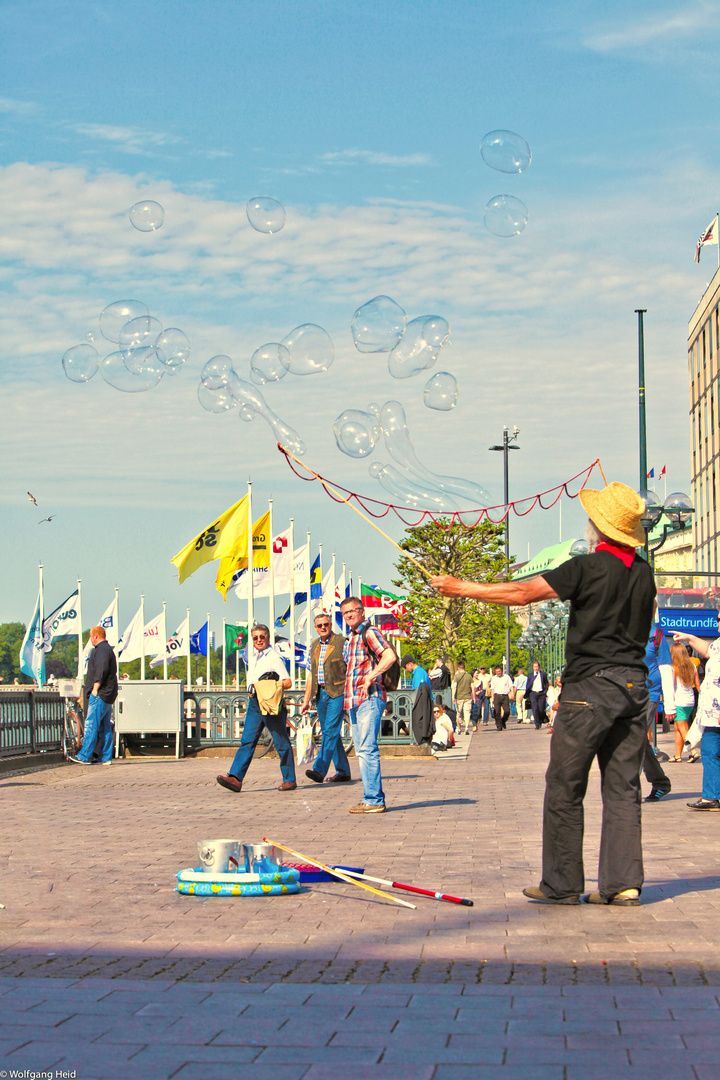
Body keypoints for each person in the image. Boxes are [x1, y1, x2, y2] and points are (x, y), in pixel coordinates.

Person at [432, 481, 655, 907]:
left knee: (565, 785)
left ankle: (562, 884)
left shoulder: (587, 567)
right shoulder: (644, 573)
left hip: (589, 687)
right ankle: (623, 885)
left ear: (597, 529)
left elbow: (521, 593)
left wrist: (462, 588)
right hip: (633, 687)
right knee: (623, 788)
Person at [216, 624, 296, 793]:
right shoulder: (255, 657)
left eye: (262, 637)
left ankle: (289, 779)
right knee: (247, 740)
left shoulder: (274, 657)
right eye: (255, 637)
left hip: (269, 703)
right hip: (255, 703)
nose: (259, 640)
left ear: (268, 638)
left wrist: (266, 687)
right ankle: (236, 778)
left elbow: (287, 682)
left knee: (281, 741)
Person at [340, 596, 397, 813]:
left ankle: (374, 800)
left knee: (367, 749)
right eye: (345, 613)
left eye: (353, 611)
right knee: (362, 750)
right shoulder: (351, 638)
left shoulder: (369, 632)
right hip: (354, 700)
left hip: (369, 697)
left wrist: (371, 676)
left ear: (362, 612)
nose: (349, 615)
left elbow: (389, 656)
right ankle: (370, 798)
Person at [672, 618, 720, 809]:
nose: (718, 621)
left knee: (711, 751)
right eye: (717, 618)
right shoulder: (718, 645)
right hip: (711, 713)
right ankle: (711, 797)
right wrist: (689, 637)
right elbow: (708, 649)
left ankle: (711, 796)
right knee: (709, 752)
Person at [301, 611, 351, 784]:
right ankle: (343, 771)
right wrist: (306, 700)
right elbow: (310, 675)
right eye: (320, 625)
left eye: (326, 624)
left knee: (329, 730)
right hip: (320, 694)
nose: (323, 627)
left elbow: (350, 669)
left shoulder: (342, 643)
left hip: (337, 692)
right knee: (332, 734)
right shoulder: (314, 645)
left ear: (331, 625)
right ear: (315, 628)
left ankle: (319, 769)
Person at [69, 625, 118, 765]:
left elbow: (101, 669)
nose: (90, 639)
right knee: (105, 727)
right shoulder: (108, 649)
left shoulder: (101, 650)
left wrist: (95, 687)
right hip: (109, 694)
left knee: (91, 724)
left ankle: (85, 755)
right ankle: (105, 757)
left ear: (96, 636)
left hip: (100, 693)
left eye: (91, 636)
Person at [641, 619, 674, 802]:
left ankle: (626, 789)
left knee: (633, 738)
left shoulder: (656, 635)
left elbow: (666, 669)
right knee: (638, 741)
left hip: (649, 694)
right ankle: (661, 783)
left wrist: (670, 705)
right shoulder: (624, 631)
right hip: (628, 694)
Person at [668, 640, 699, 762]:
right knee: (677, 728)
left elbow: (671, 685)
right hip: (690, 700)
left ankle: (693, 751)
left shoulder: (674, 667)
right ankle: (678, 755)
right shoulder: (693, 666)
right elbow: (697, 684)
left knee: (683, 728)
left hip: (679, 700)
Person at [525, 661, 549, 729]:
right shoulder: (530, 675)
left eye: (537, 667)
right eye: (534, 667)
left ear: (538, 667)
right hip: (533, 693)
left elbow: (546, 683)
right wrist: (528, 695)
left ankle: (541, 719)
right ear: (533, 667)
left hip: (541, 693)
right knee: (535, 709)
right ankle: (537, 723)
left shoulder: (543, 674)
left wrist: (545, 691)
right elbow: (528, 685)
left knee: (541, 709)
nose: (536, 668)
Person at [452, 660, 473, 735]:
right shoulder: (469, 676)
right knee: (467, 713)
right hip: (468, 697)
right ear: (464, 667)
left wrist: (453, 697)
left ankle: (459, 728)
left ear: (458, 668)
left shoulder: (457, 676)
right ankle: (466, 728)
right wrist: (472, 695)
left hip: (459, 697)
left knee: (459, 713)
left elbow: (454, 687)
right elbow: (472, 687)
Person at [490, 665, 513, 730]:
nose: (498, 673)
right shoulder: (494, 678)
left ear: (501, 671)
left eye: (499, 671)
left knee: (507, 711)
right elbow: (492, 688)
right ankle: (499, 726)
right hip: (497, 696)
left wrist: (512, 693)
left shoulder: (506, 677)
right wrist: (492, 697)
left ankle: (503, 721)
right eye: (497, 671)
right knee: (497, 712)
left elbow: (511, 685)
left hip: (505, 695)